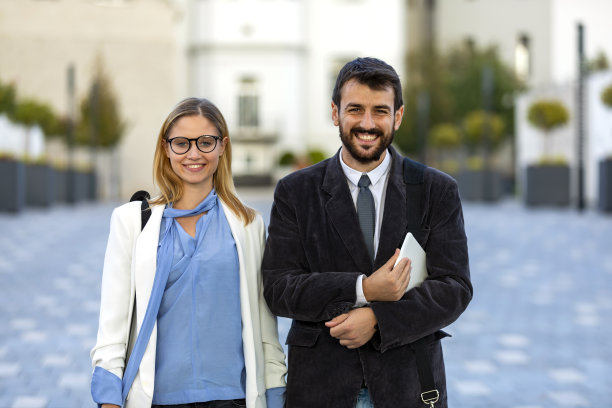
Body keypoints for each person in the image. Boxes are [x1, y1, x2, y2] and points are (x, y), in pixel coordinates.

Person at [261, 57, 472, 408]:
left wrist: (378, 318)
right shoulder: (296, 191)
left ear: (398, 116)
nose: (368, 123)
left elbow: (454, 288)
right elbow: (279, 288)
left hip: (408, 386)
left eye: (380, 111)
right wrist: (362, 289)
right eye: (355, 109)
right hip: (319, 387)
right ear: (335, 112)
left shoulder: (437, 190)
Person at [90, 97, 287, 408]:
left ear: (222, 146)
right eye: (181, 143)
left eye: (205, 142)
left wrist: (276, 393)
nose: (194, 153)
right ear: (166, 148)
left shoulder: (249, 225)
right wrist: (108, 398)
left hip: (233, 398)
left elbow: (265, 328)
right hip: (155, 399)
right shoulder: (131, 222)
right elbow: (112, 326)